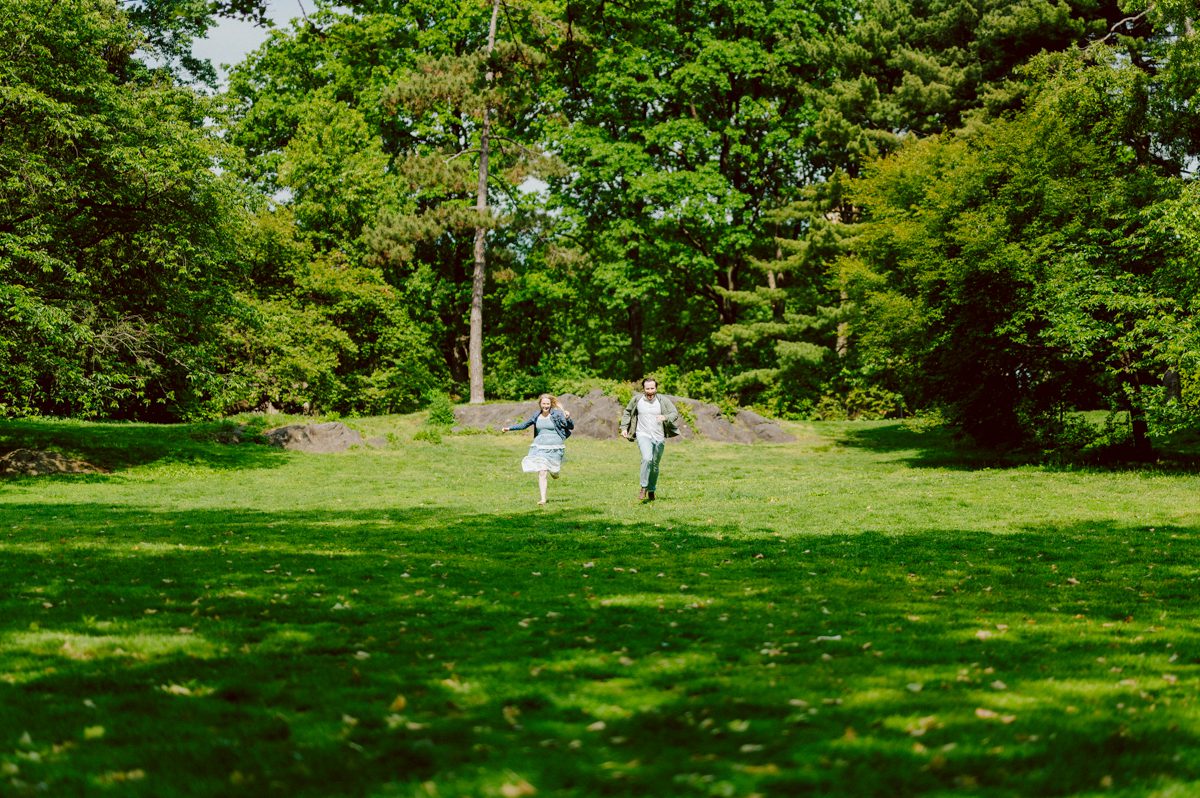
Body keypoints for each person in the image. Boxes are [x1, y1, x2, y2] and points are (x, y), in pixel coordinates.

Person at [502, 393, 574, 505]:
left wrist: (568, 418)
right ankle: (543, 499)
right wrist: (509, 428)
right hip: (539, 446)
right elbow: (524, 425)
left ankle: (555, 472)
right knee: (542, 471)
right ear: (540, 404)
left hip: (555, 446)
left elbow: (570, 427)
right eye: (543, 403)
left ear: (551, 404)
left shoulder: (557, 414)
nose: (545, 406)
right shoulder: (536, 415)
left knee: (554, 472)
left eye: (548, 404)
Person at [619, 377, 680, 502]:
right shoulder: (637, 400)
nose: (650, 391)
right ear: (643, 389)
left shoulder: (663, 400)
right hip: (643, 434)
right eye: (647, 388)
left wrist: (665, 417)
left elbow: (674, 413)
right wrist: (624, 427)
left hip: (659, 436)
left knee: (655, 465)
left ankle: (651, 489)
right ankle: (643, 487)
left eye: (652, 388)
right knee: (647, 458)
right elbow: (627, 412)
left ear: (656, 389)